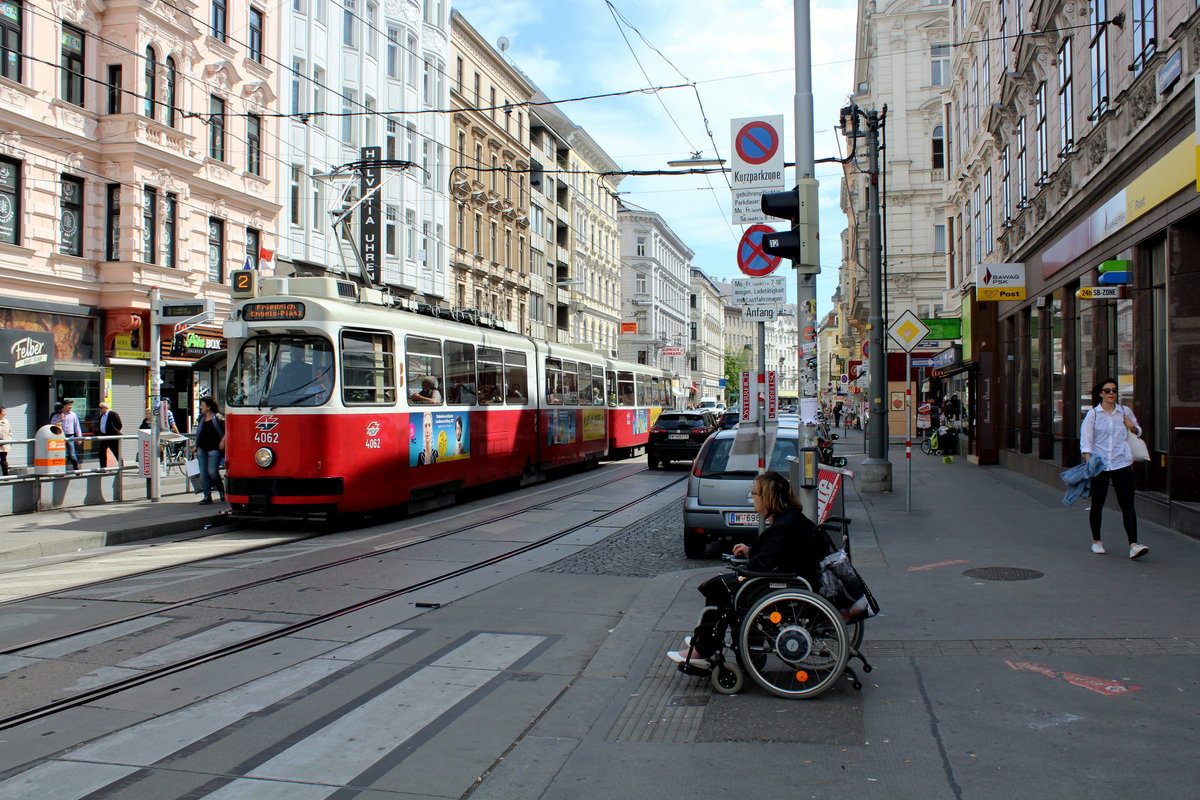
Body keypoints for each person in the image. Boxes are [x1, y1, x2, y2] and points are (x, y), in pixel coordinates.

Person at [667, 472, 830, 667]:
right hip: (792, 579)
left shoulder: (783, 525)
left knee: (720, 588)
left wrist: (744, 565)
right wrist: (751, 551)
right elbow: (779, 553)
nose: (752, 496)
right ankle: (708, 641)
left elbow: (764, 564)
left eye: (755, 493)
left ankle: (704, 647)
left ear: (767, 497)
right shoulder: (790, 519)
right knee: (723, 585)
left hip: (784, 584)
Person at [1080, 378, 1148, 559]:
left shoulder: (1124, 411)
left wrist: (1131, 427)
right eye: (1108, 390)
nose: (1112, 394)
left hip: (1121, 463)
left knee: (1127, 505)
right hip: (1100, 465)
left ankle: (1134, 544)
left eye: (1114, 390)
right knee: (1098, 504)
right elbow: (1086, 442)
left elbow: (1138, 431)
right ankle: (1097, 541)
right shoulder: (1093, 415)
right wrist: (1089, 463)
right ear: (1101, 393)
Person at [194, 396, 226, 504]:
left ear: (208, 407)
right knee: (203, 474)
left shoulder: (218, 418)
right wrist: (196, 445)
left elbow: (228, 431)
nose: (200, 408)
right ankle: (207, 496)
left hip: (214, 449)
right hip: (202, 448)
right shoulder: (201, 418)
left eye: (202, 405)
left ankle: (221, 491)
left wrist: (223, 441)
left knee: (212, 472)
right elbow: (199, 432)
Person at [96, 401, 123, 468]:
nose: (100, 409)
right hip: (104, 436)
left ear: (105, 408)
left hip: (112, 436)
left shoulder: (113, 414)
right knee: (102, 452)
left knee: (116, 452)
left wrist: (114, 432)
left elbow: (119, 424)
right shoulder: (102, 416)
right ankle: (103, 467)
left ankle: (121, 466)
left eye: (101, 408)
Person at [57, 399, 82, 470]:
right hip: (60, 436)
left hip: (70, 435)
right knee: (62, 454)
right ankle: (61, 470)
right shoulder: (59, 414)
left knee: (72, 454)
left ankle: (76, 468)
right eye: (69, 405)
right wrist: (60, 420)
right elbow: (53, 424)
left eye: (71, 405)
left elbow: (77, 426)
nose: (70, 407)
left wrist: (79, 437)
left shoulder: (73, 415)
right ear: (64, 406)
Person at [0, 405, 11, 476]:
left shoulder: (6, 421)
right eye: (3, 411)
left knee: (3, 460)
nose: (5, 412)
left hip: (4, 445)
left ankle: (6, 476)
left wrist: (9, 440)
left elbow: (9, 432)